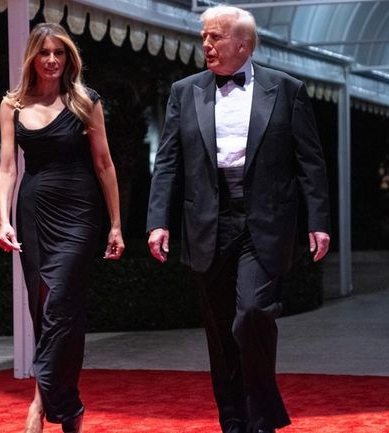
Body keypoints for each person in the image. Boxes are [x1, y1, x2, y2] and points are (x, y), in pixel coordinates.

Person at [146, 6, 331, 433]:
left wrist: (317, 221)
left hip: (264, 221)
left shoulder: (287, 90)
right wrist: (159, 220)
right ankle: (233, 421)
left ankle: (263, 416)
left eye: (215, 37)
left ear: (243, 44)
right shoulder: (184, 91)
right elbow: (168, 162)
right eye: (204, 37)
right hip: (207, 221)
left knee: (251, 315)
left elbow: (311, 163)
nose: (206, 45)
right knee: (219, 332)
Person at [0, 23, 124, 433]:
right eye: (45, 52)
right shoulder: (12, 104)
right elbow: (8, 168)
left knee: (60, 306)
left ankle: (38, 404)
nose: (52, 60)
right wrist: (4, 219)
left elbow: (104, 164)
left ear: (69, 58)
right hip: (33, 213)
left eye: (60, 53)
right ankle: (69, 409)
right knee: (45, 310)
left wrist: (116, 225)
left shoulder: (86, 101)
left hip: (80, 215)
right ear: (33, 56)